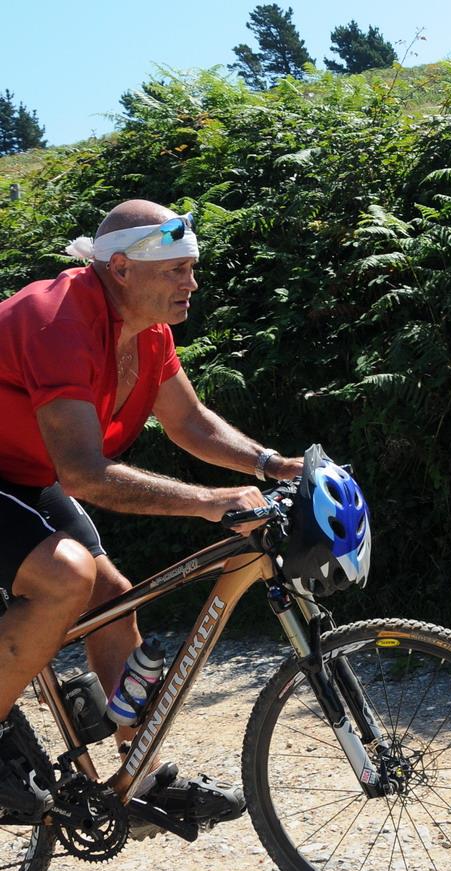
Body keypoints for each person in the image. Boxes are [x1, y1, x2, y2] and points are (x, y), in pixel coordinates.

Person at [0, 199, 303, 832]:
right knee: (65, 577)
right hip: (25, 473)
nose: (191, 283)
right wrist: (209, 501)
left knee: (112, 600)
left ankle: (139, 782)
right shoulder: (56, 320)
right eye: (176, 270)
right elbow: (84, 473)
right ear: (120, 268)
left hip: (21, 474)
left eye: (192, 268)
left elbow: (190, 422)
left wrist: (272, 465)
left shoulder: (147, 331)